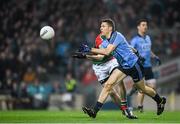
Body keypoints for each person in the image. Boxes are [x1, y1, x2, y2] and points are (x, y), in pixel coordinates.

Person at [78, 18, 166, 118]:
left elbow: (107, 52)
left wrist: (89, 49)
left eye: (103, 26)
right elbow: (104, 54)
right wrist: (87, 54)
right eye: (101, 26)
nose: (100, 28)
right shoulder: (105, 40)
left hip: (134, 65)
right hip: (123, 66)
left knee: (143, 89)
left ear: (110, 28)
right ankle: (94, 111)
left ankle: (160, 100)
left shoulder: (117, 35)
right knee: (108, 85)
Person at [73, 34, 137, 119]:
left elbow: (123, 45)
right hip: (99, 68)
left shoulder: (115, 36)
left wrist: (85, 56)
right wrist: (86, 54)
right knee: (111, 92)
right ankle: (124, 110)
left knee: (120, 83)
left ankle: (125, 108)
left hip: (111, 62)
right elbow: (99, 57)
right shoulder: (100, 39)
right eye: (102, 26)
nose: (102, 28)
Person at [128, 18, 161, 112]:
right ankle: (140, 107)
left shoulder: (148, 38)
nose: (145, 26)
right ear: (138, 27)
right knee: (143, 88)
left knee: (152, 87)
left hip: (149, 66)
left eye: (146, 25)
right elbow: (131, 51)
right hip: (140, 67)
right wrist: (137, 59)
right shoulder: (135, 40)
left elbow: (148, 50)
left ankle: (136, 87)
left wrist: (155, 57)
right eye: (143, 25)